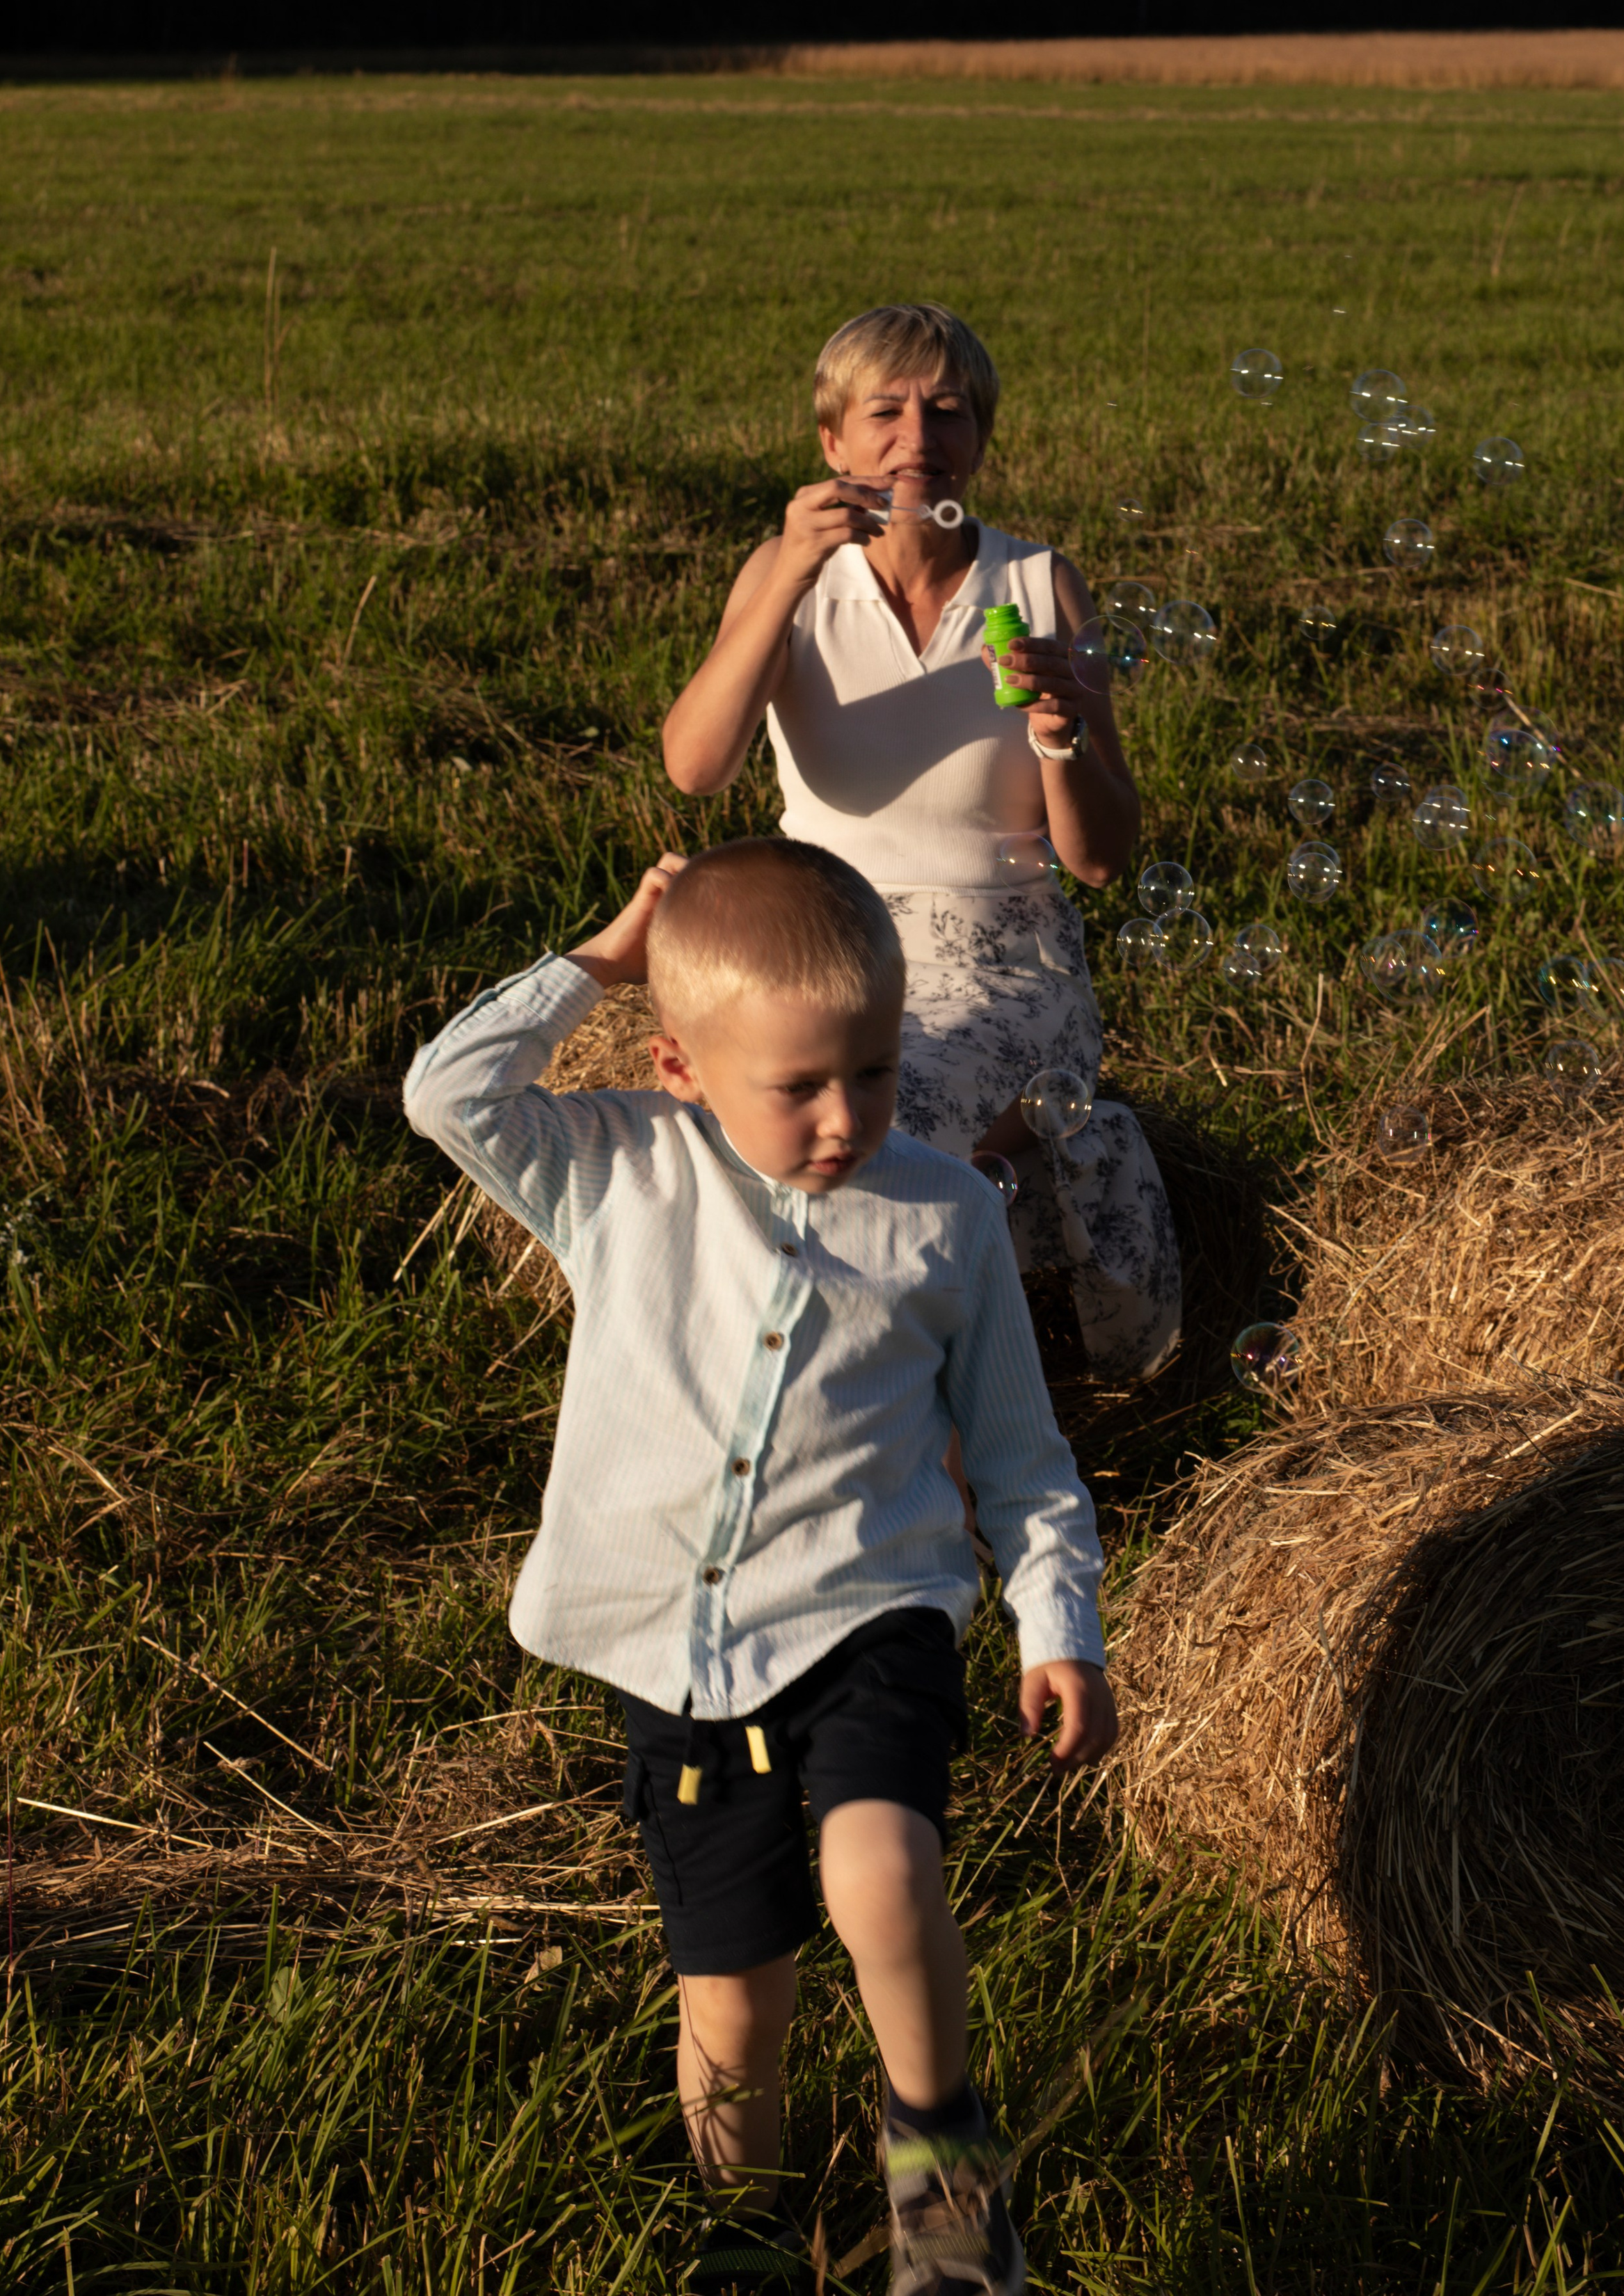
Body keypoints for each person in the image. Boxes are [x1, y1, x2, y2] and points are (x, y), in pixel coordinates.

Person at [403, 836, 1116, 2296]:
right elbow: (445, 1095)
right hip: (678, 1650)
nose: (845, 1114)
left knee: (881, 1870)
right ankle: (742, 2236)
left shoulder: (945, 1214)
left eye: (866, 1066)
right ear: (677, 1064)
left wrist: (1061, 1625)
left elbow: (1023, 1454)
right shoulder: (615, 1174)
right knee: (732, 1996)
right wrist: (598, 960)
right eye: (798, 1084)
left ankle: (940, 2163)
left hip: (870, 1617)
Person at [662, 303, 1180, 1382]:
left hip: (1001, 952)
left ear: (979, 438)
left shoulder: (1039, 586)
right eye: (884, 410)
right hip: (821, 932)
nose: (917, 436)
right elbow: (696, 765)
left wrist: (1061, 735)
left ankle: (896, 1405)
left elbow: (1099, 857)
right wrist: (792, 579)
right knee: (729, 1135)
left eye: (947, 410)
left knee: (884, 1131)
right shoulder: (783, 574)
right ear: (832, 443)